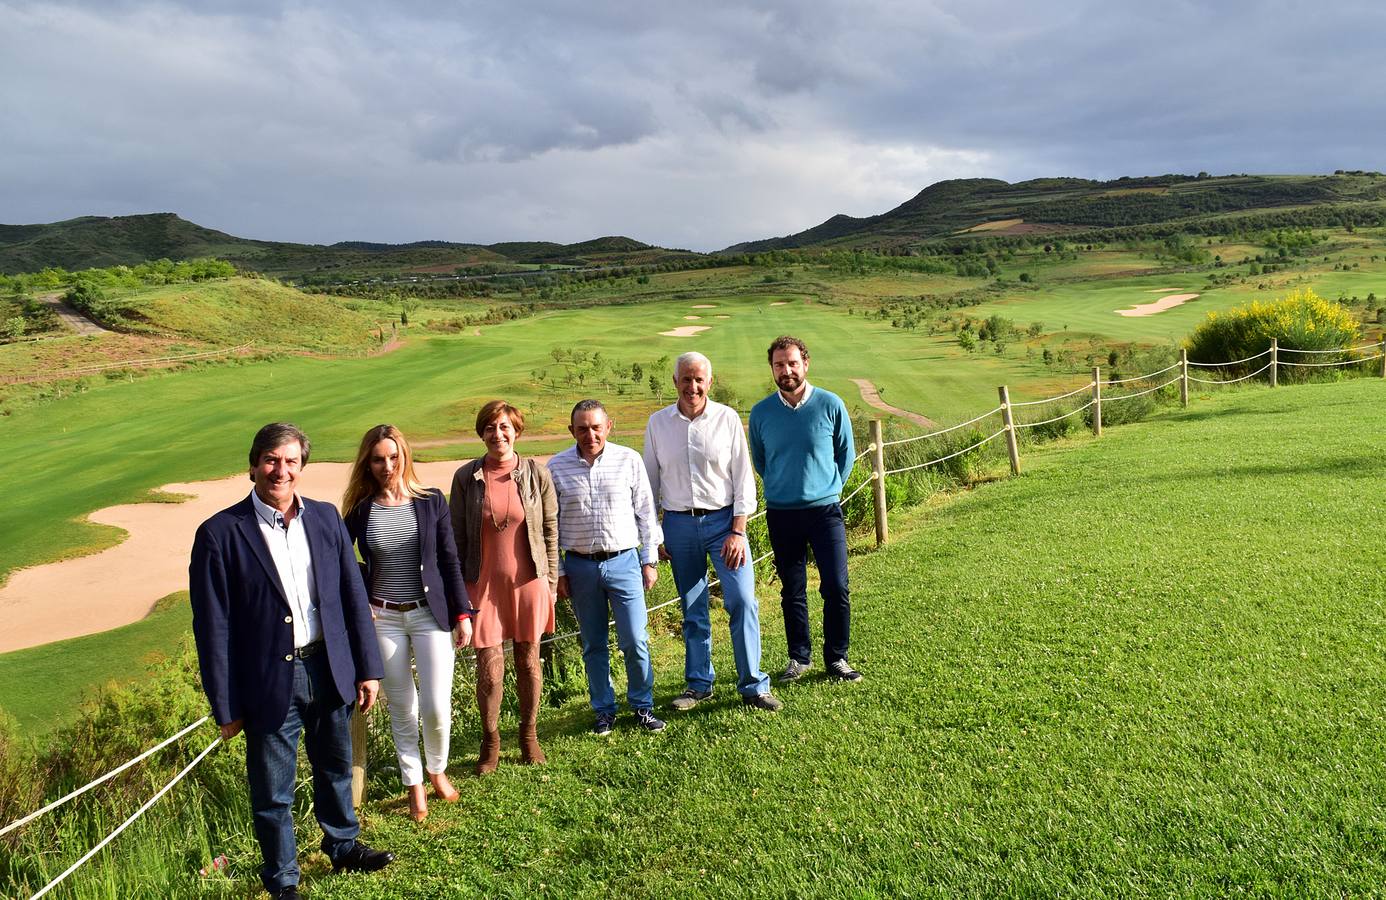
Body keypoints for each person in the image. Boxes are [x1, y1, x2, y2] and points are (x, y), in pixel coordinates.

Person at [189, 423, 392, 900]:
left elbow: (350, 594)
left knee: (336, 766)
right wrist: (226, 704)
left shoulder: (324, 519)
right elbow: (212, 628)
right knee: (273, 790)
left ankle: (342, 845)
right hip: (269, 680)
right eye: (271, 460)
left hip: (329, 666)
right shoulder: (219, 534)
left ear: (303, 467)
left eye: (291, 462)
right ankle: (282, 880)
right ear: (253, 464)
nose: (280, 471)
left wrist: (368, 668)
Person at [342, 424, 473, 823]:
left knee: (435, 706)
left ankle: (437, 769)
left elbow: (449, 560)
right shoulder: (360, 510)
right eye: (378, 459)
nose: (387, 466)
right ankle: (414, 782)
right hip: (383, 618)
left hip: (429, 613)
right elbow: (343, 561)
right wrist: (360, 598)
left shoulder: (431, 501)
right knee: (403, 707)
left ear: (405, 456)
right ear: (368, 462)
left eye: (393, 456)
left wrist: (462, 613)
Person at [643, 352, 781, 712]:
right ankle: (699, 685)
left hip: (725, 525)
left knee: (742, 601)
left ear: (710, 382)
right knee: (693, 608)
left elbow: (743, 479)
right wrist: (655, 533)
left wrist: (738, 530)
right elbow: (649, 484)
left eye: (699, 379)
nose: (693, 386)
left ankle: (753, 684)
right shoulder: (658, 424)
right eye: (686, 379)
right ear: (675, 381)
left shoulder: (727, 418)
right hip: (678, 525)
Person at [448, 400, 559, 773]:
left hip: (529, 581)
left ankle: (529, 736)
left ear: (517, 431)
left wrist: (551, 583)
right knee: (489, 670)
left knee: (528, 661)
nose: (498, 434)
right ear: (482, 433)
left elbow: (549, 530)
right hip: (482, 584)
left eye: (505, 427)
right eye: (490, 428)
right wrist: (459, 592)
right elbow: (457, 538)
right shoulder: (466, 478)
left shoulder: (536, 474)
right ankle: (490, 740)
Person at [748, 336, 862, 683]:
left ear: (805, 364)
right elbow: (761, 461)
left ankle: (837, 658)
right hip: (782, 513)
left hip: (824, 511)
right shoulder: (761, 412)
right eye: (779, 365)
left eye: (792, 363)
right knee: (792, 590)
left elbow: (846, 454)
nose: (786, 370)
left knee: (836, 586)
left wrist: (827, 488)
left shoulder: (830, 404)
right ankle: (800, 658)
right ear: (772, 369)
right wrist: (786, 488)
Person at [548, 399, 666, 735]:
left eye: (596, 427)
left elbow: (646, 512)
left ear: (608, 426)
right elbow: (550, 526)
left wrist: (649, 560)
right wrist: (558, 572)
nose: (590, 434)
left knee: (634, 639)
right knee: (594, 644)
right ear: (572, 430)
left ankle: (642, 706)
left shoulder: (628, 460)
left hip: (624, 561)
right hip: (581, 567)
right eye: (582, 428)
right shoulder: (556, 468)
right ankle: (604, 710)